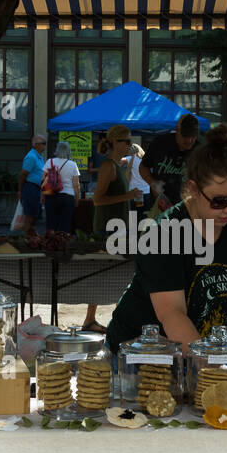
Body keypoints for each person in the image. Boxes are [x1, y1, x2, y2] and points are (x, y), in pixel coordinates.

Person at [105, 125, 227, 354]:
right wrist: (210, 368)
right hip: (137, 358)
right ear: (193, 189)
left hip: (197, 356)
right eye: (219, 201)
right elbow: (172, 314)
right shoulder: (163, 234)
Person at [82, 125, 143, 333]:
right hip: (107, 228)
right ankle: (95, 319)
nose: (129, 144)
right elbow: (97, 200)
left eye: (130, 140)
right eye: (126, 141)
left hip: (117, 227)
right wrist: (128, 196)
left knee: (113, 275)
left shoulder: (117, 164)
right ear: (115, 143)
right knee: (107, 275)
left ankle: (99, 319)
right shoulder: (108, 166)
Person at [140, 113, 201, 212]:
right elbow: (143, 167)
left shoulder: (200, 150)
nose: (189, 140)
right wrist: (153, 184)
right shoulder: (160, 143)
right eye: (185, 136)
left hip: (189, 208)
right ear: (177, 130)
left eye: (193, 136)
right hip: (161, 206)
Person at [41, 140, 81, 234]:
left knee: (51, 224)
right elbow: (76, 185)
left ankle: (50, 244)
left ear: (57, 150)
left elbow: (43, 180)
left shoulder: (49, 162)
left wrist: (42, 196)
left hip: (51, 195)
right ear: (68, 151)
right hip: (67, 196)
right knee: (65, 224)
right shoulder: (73, 164)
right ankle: (63, 244)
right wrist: (77, 199)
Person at [16, 133, 47, 233]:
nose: (45, 145)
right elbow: (23, 174)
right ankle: (27, 238)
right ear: (36, 145)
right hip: (30, 188)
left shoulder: (39, 157)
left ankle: (31, 236)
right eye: (43, 143)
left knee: (34, 215)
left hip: (36, 188)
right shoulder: (31, 157)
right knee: (30, 216)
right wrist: (20, 190)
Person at [123, 142, 149, 215]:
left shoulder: (130, 158)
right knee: (144, 215)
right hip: (146, 192)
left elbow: (118, 161)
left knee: (133, 215)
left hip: (136, 192)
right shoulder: (146, 160)